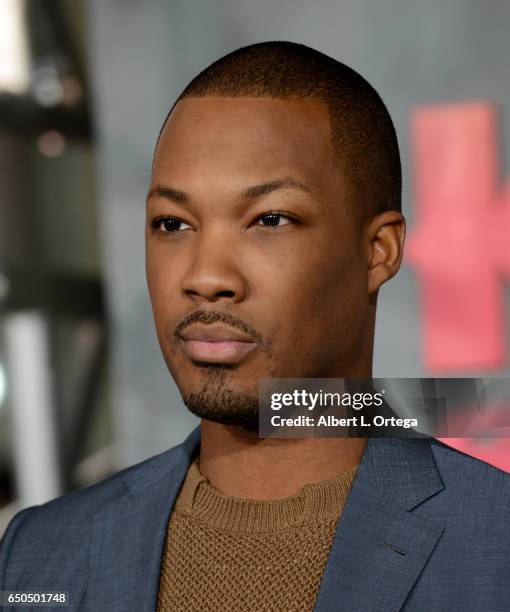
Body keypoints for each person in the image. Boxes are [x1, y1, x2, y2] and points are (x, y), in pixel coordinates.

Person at [1, 41, 509, 612]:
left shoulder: (495, 544)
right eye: (172, 223)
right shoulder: (39, 555)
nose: (206, 276)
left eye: (270, 220)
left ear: (379, 251)